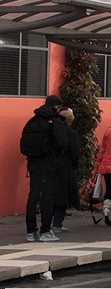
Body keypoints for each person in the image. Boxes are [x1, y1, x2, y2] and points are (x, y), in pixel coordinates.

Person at [22, 94, 68, 242]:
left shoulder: (32, 121)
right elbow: (62, 143)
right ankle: (45, 231)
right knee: (47, 197)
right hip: (49, 163)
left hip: (34, 163)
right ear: (57, 107)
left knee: (33, 196)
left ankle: (30, 231)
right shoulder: (55, 121)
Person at [52, 107, 80, 232]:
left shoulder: (51, 131)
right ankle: (57, 223)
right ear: (70, 119)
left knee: (52, 194)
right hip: (66, 167)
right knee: (63, 196)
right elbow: (75, 152)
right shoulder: (72, 133)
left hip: (51, 166)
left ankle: (48, 223)